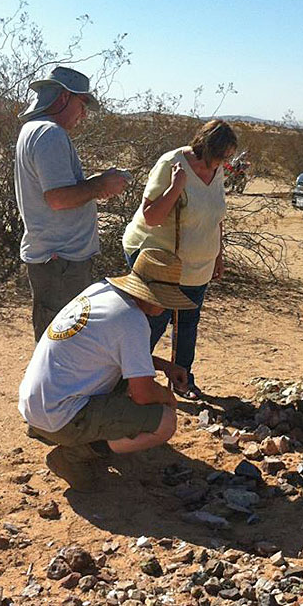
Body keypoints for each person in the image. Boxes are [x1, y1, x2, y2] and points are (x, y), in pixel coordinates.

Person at [18, 248, 196, 493]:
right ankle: (73, 455)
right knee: (165, 422)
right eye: (165, 299)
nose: (166, 308)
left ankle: (79, 436)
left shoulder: (102, 292)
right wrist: (168, 398)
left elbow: (110, 351)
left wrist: (165, 366)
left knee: (131, 386)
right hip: (61, 417)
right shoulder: (131, 319)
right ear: (151, 295)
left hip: (37, 407)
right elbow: (143, 394)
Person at [122, 119, 238, 399]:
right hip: (160, 260)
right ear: (207, 149)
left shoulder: (217, 169)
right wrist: (176, 187)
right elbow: (151, 217)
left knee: (188, 321)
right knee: (154, 321)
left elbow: (215, 216)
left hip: (198, 265)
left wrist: (217, 254)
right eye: (222, 156)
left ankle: (183, 379)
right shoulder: (171, 163)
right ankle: (132, 381)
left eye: (228, 157)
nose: (225, 162)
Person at [15, 66, 129, 342]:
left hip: (58, 259)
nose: (84, 113)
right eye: (82, 103)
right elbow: (57, 198)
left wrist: (95, 184)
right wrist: (101, 185)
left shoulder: (35, 130)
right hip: (60, 261)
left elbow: (59, 192)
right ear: (64, 98)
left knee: (59, 337)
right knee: (62, 341)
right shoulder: (49, 133)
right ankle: (53, 387)